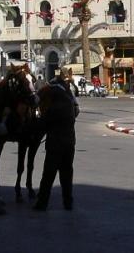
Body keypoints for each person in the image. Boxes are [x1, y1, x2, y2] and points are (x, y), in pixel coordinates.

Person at [33, 73, 79, 211]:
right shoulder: (70, 107)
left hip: (55, 145)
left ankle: (42, 203)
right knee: (67, 174)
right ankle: (68, 202)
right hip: (69, 143)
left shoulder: (52, 109)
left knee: (48, 175)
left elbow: (42, 125)